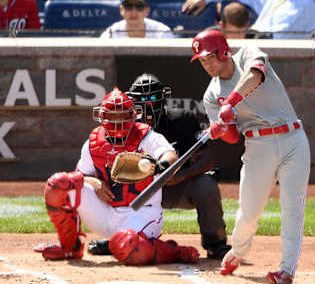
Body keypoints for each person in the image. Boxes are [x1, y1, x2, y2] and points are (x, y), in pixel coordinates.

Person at [190, 29, 311, 284]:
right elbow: (234, 137)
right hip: (258, 145)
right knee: (249, 212)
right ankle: (238, 252)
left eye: (210, 57)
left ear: (223, 51)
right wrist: (221, 129)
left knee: (293, 208)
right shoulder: (211, 94)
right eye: (202, 60)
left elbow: (256, 75)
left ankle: (287, 268)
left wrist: (231, 102)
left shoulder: (247, 54)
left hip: (293, 139)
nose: (207, 63)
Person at [34, 87, 200, 266]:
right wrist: (95, 182)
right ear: (102, 117)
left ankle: (174, 251)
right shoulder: (93, 142)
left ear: (132, 115)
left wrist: (158, 167)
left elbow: (171, 156)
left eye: (122, 115)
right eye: (112, 116)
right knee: (59, 184)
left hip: (142, 213)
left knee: (128, 249)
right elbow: (79, 176)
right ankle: (70, 247)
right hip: (105, 212)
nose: (117, 121)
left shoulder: (147, 136)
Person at [88, 73, 232, 260]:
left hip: (174, 187)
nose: (148, 106)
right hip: (136, 190)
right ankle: (119, 240)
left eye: (154, 99)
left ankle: (216, 243)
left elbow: (207, 158)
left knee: (206, 184)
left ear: (164, 99)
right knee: (115, 180)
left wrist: (182, 175)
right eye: (142, 100)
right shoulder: (124, 125)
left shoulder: (182, 120)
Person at [182, 0, 315, 39]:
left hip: (283, 66)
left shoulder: (306, 5)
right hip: (255, 51)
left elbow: (269, 38)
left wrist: (239, 36)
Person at [100, 0, 174, 39]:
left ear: (147, 11)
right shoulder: (112, 33)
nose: (133, 12)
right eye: (128, 6)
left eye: (139, 7)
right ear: (121, 10)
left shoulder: (162, 32)